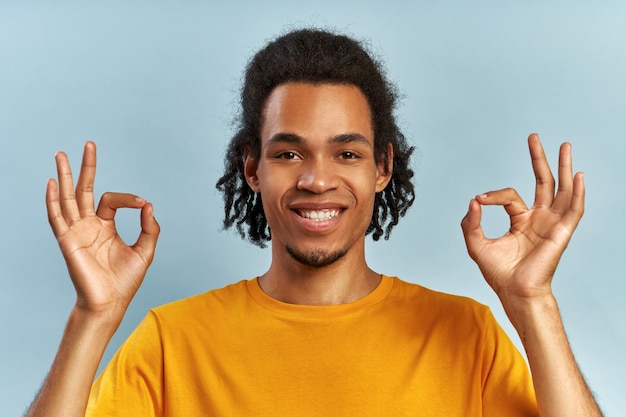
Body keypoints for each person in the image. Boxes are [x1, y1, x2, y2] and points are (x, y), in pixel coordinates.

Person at [27, 29, 602, 416]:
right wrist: (93, 316)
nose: (317, 180)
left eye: (347, 153)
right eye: (288, 153)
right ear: (252, 169)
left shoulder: (468, 337)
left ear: (383, 168)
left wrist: (534, 303)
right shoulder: (169, 344)